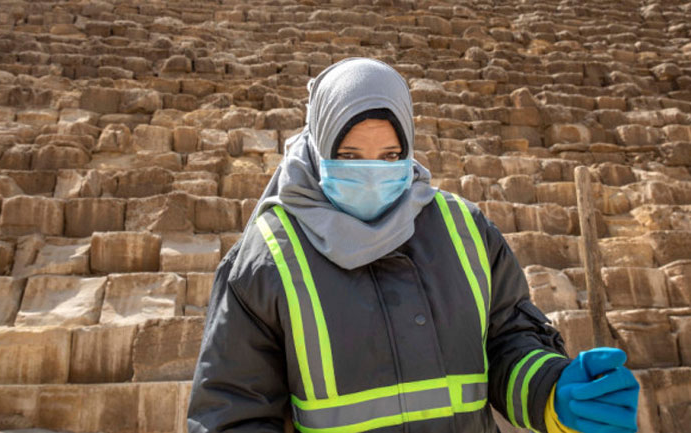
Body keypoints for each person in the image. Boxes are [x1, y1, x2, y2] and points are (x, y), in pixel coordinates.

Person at [187, 57, 639, 433]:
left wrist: (553, 393)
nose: (371, 172)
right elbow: (232, 411)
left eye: (389, 156)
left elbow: (507, 340)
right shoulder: (265, 260)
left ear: (409, 149)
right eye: (348, 157)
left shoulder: (466, 230)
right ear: (319, 146)